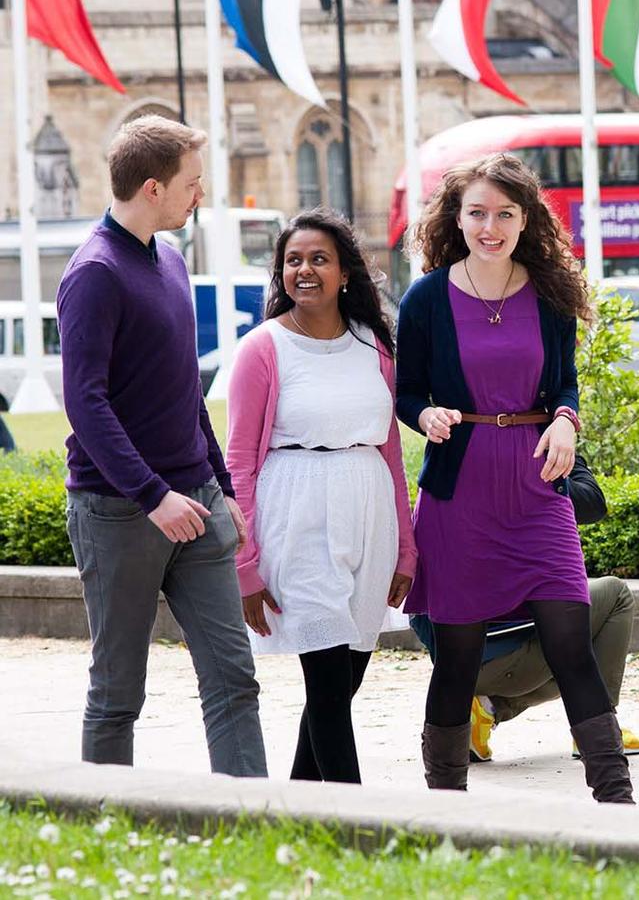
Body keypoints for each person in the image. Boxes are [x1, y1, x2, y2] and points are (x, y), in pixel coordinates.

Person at [397, 153, 633, 803]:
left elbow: (564, 384)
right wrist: (425, 413)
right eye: (477, 213)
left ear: (525, 219)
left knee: (571, 644)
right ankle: (447, 807)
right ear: (457, 218)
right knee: (458, 658)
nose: (490, 227)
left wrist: (566, 420)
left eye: (504, 214)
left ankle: (618, 803)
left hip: (537, 493)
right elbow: (405, 391)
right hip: (459, 498)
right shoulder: (427, 298)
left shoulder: (550, 294)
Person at [56, 115, 266, 776]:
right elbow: (85, 403)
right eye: (192, 183)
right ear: (153, 187)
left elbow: (185, 389)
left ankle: (250, 819)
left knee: (234, 679)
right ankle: (106, 820)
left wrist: (222, 488)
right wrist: (153, 496)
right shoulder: (94, 272)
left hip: (197, 502)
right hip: (120, 511)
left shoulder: (170, 259)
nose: (200, 194)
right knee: (118, 693)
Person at [226, 208, 416, 785]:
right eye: (293, 260)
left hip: (369, 518)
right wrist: (245, 565)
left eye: (318, 259)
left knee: (340, 685)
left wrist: (406, 549)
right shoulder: (262, 348)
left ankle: (298, 806)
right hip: (297, 518)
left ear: (345, 273)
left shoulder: (374, 345)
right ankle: (356, 822)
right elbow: (239, 463)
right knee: (329, 686)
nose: (304, 270)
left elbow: (390, 451)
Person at [409, 456, 639, 763]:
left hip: (450, 663)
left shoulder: (443, 470)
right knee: (611, 600)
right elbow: (592, 504)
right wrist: (539, 476)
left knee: (566, 637)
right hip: (494, 650)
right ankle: (600, 730)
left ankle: (483, 710)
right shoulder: (510, 464)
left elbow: (593, 502)